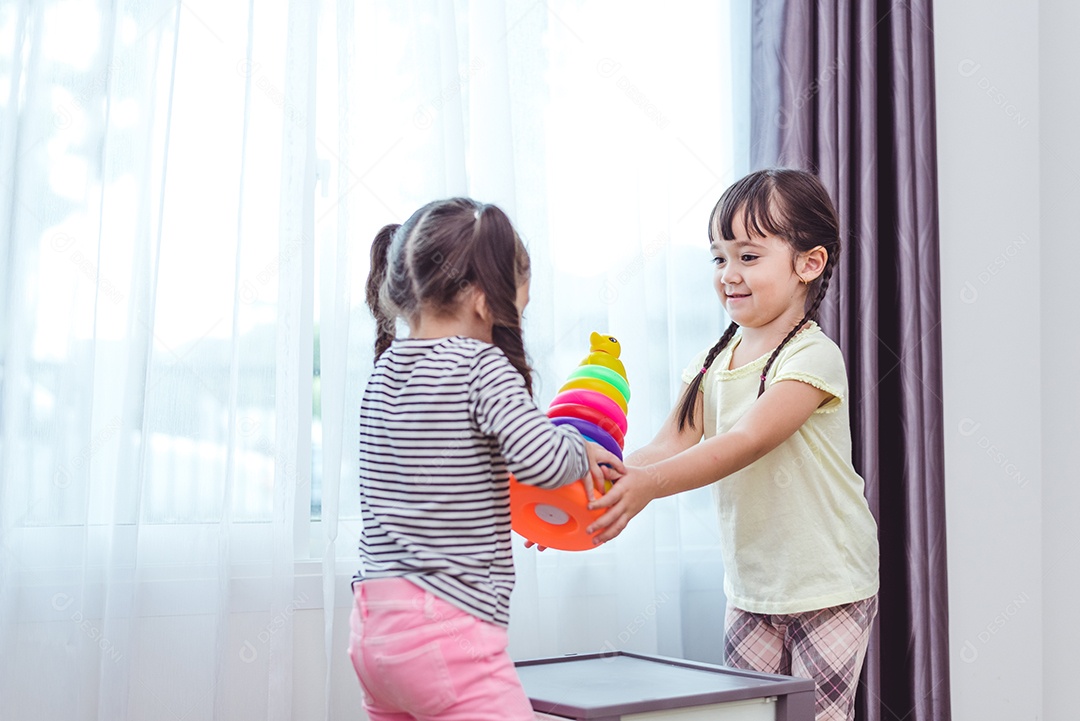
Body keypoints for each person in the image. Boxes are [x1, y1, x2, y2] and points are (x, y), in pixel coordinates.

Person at [587, 169, 879, 721]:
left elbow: (746, 440)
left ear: (808, 264)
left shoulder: (811, 358)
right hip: (751, 591)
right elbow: (669, 442)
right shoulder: (712, 361)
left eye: (748, 257)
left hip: (831, 584)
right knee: (750, 716)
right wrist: (601, 483)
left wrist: (647, 487)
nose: (728, 275)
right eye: (718, 258)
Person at [349, 197, 623, 721]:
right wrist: (579, 448)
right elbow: (541, 464)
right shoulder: (481, 365)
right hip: (445, 630)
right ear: (481, 298)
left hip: (374, 629)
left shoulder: (385, 371)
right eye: (518, 301)